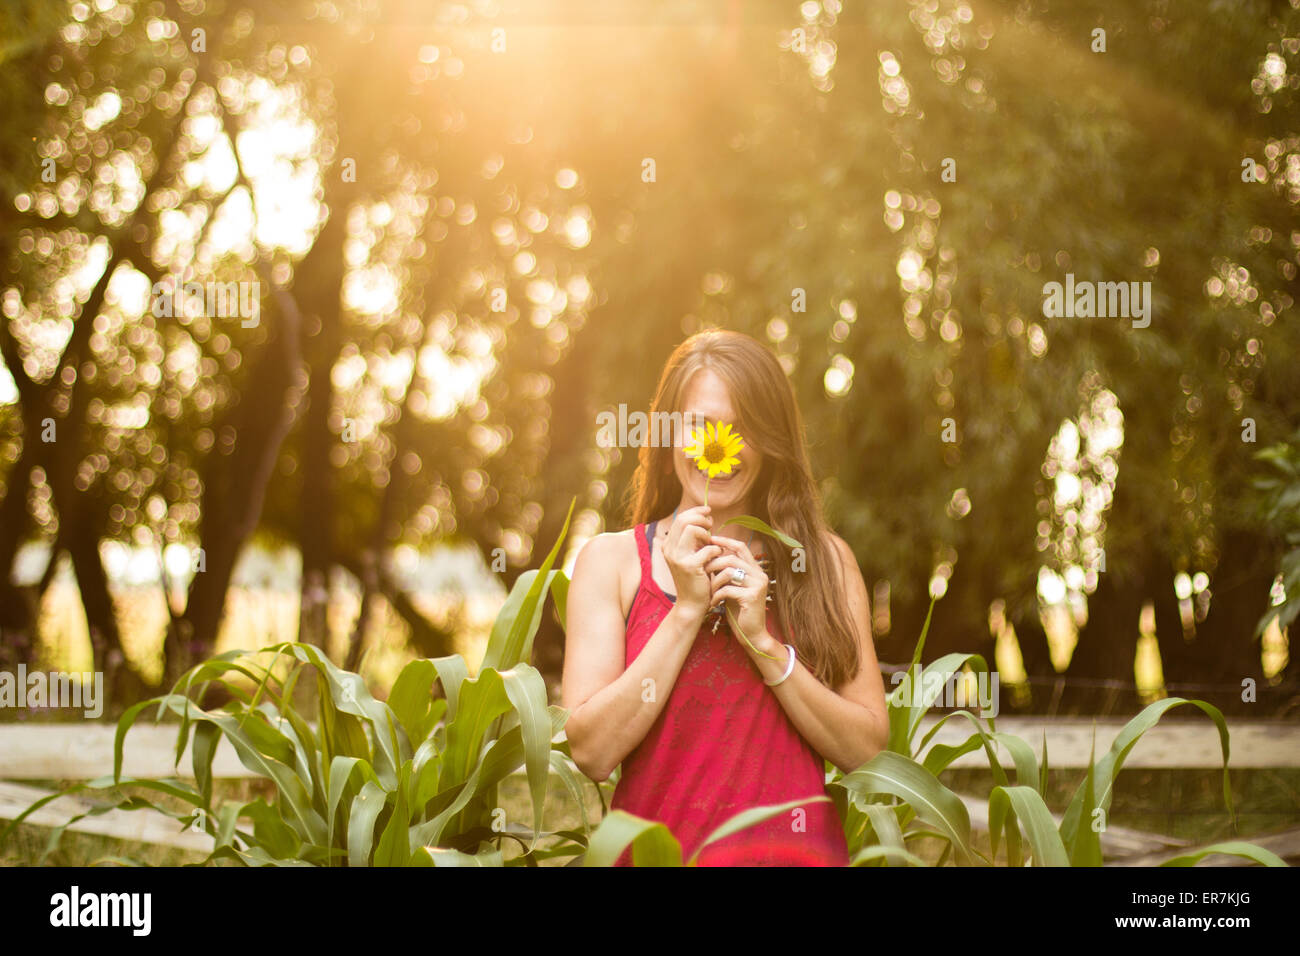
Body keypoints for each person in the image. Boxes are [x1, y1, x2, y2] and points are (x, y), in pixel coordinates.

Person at [562, 329, 889, 866]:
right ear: (669, 441)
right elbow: (592, 752)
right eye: (701, 426)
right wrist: (687, 611)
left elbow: (867, 750)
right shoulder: (612, 563)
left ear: (772, 442)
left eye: (744, 429)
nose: (719, 446)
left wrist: (762, 643)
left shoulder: (825, 563)